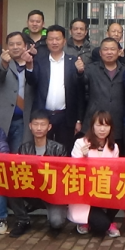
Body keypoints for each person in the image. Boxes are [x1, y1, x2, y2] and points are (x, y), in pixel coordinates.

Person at [24, 25, 84, 154]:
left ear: (64, 41)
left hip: (66, 116)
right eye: (51, 39)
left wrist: (80, 72)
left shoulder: (73, 61)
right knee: (42, 152)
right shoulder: (39, 60)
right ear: (46, 41)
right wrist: (29, 66)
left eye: (57, 39)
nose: (54, 42)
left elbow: (79, 92)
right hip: (43, 115)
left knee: (64, 151)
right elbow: (32, 82)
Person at [8, 111, 68, 238]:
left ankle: (54, 218)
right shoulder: (24, 148)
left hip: (52, 194)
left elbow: (63, 176)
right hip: (32, 191)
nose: (39, 128)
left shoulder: (59, 149)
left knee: (56, 223)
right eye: (35, 124)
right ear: (30, 126)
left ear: (49, 127)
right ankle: (23, 221)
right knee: (11, 185)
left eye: (42, 124)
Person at [69, 111, 121, 237]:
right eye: (99, 125)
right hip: (86, 192)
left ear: (111, 128)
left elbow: (115, 172)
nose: (102, 129)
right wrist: (83, 157)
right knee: (101, 226)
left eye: (106, 125)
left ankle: (108, 220)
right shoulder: (81, 143)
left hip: (104, 189)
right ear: (92, 126)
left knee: (122, 190)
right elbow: (74, 171)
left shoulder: (114, 147)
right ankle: (89, 221)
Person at [0, 31, 35, 154]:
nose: (15, 47)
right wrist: (4, 64)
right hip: (2, 117)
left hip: (23, 119)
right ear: (6, 47)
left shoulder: (33, 62)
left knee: (17, 155)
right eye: (11, 44)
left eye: (18, 44)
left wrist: (30, 64)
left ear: (25, 45)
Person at [81, 37, 125, 145]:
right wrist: (79, 73)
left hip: (117, 123)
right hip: (94, 122)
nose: (109, 52)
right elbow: (79, 88)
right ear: (100, 52)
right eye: (105, 49)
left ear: (119, 52)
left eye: (112, 49)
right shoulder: (90, 69)